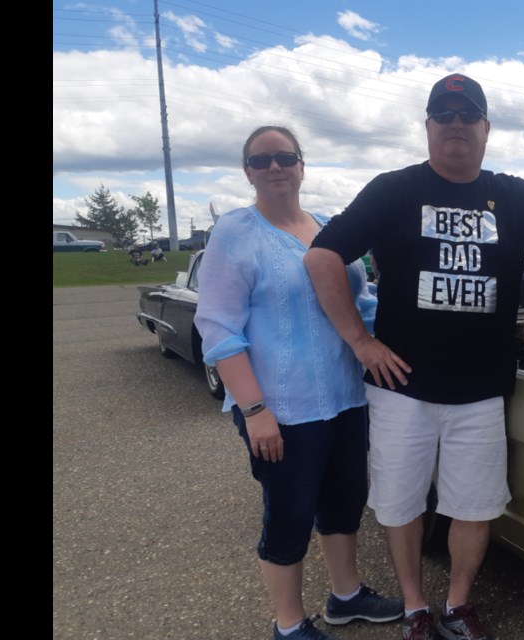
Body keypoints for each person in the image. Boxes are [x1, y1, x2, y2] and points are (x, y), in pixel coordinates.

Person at [303, 74, 524, 640]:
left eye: (467, 116)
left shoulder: (512, 195)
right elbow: (322, 257)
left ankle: (456, 604)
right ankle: (415, 608)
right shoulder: (394, 190)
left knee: (474, 505)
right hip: (403, 387)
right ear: (427, 127)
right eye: (443, 115)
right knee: (400, 506)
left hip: (480, 389)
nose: (455, 125)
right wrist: (360, 341)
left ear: (485, 129)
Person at [195, 125, 403, 640]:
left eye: (285, 157)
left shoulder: (330, 227)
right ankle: (289, 623)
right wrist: (254, 409)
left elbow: (363, 303)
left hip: (346, 398)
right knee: (288, 513)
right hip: (282, 408)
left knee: (344, 500)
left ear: (301, 165)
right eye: (261, 160)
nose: (275, 168)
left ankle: (345, 596)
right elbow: (218, 328)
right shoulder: (235, 233)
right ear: (248, 172)